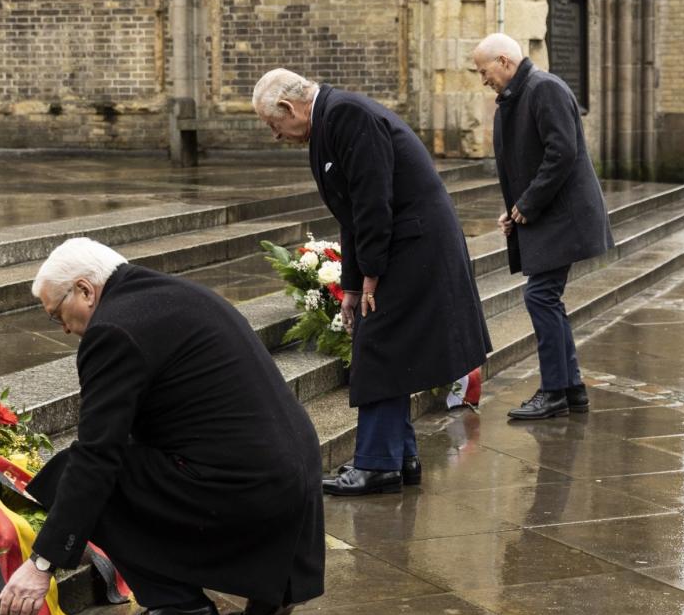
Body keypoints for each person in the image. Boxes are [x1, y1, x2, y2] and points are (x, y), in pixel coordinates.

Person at [0, 238, 325, 615]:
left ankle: (177, 607)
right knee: (131, 463)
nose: (64, 328)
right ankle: (269, 591)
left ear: (84, 290)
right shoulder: (173, 293)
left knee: (74, 471)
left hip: (248, 489)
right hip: (294, 477)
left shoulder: (112, 329)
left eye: (57, 315)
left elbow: (97, 455)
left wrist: (43, 562)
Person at [252, 68, 491, 497]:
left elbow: (372, 203)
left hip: (413, 244)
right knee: (384, 343)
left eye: (273, 125)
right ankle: (399, 455)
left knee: (378, 343)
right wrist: (351, 286)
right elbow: (351, 214)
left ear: (289, 108)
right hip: (403, 241)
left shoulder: (346, 116)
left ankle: (377, 464)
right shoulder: (330, 119)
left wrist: (371, 277)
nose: (274, 136)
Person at [471, 33, 613, 420]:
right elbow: (528, 161)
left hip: (562, 216)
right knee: (545, 299)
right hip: (551, 215)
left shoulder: (543, 88)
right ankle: (570, 389)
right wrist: (514, 209)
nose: (483, 79)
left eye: (484, 71)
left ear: (504, 61)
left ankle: (555, 392)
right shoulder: (519, 95)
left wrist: (528, 204)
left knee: (540, 298)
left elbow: (562, 151)